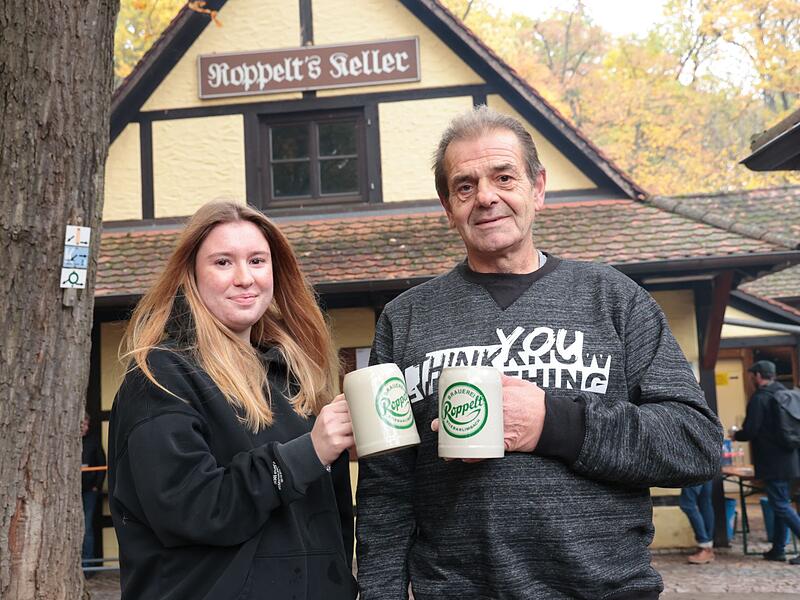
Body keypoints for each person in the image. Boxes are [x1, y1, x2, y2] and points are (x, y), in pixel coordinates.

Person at [355, 106, 723, 599]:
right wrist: (380, 592)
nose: (486, 196)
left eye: (504, 177)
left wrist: (553, 423)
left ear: (537, 187)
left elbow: (694, 443)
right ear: (448, 206)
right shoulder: (406, 318)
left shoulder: (612, 297)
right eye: (465, 186)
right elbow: (386, 482)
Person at [107, 201, 358, 599]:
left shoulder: (296, 379)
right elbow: (193, 510)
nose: (245, 278)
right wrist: (306, 455)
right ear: (191, 274)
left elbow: (332, 524)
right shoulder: (159, 377)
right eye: (223, 263)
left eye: (257, 261)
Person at [733, 360, 800, 565]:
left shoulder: (760, 398)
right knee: (781, 502)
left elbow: (750, 430)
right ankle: (778, 549)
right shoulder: (786, 393)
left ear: (759, 376)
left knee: (779, 504)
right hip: (791, 459)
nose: (752, 379)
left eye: (753, 375)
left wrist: (736, 435)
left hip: (772, 461)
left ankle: (780, 547)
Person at [81, 411, 106, 570]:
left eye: (85, 424)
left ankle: (88, 566)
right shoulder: (66, 441)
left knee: (87, 527)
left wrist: (97, 485)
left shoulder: (93, 441)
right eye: (81, 424)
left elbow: (102, 464)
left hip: (89, 490)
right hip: (70, 493)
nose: (83, 427)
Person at [678, 480, 715, 564]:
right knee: (704, 502)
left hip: (693, 468)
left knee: (687, 505)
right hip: (708, 468)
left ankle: (705, 545)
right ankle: (708, 546)